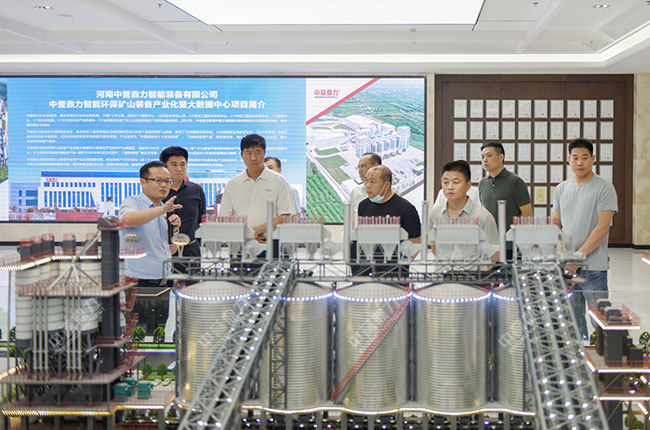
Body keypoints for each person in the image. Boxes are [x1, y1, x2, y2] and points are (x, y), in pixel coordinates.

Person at [552, 138, 618, 339]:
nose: (579, 162)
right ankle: (579, 353)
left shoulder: (604, 188)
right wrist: (564, 253)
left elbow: (602, 227)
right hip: (567, 266)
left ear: (593, 159)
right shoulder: (561, 188)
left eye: (584, 157)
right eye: (575, 158)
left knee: (599, 318)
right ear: (568, 160)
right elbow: (556, 224)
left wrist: (578, 257)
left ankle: (601, 353)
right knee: (572, 318)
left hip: (593, 267)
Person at [119, 160, 182, 335]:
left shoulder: (161, 210)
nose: (164, 185)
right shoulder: (133, 202)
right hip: (140, 286)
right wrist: (162, 211)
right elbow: (127, 219)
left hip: (163, 284)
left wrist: (175, 231)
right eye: (158, 180)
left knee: (158, 336)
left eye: (167, 181)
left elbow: (170, 251)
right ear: (143, 182)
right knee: (139, 337)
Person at [220, 134, 295, 242]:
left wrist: (253, 232)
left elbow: (286, 216)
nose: (253, 158)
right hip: (241, 243)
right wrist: (248, 236)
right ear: (242, 155)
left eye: (258, 152)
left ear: (264, 153)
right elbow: (224, 219)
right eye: (248, 153)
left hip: (270, 243)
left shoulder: (279, 181)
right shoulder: (233, 184)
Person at [352, 165, 420, 277]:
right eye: (366, 181)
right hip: (365, 272)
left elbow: (415, 242)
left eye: (372, 182)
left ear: (386, 185)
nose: (367, 186)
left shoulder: (405, 209)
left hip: (395, 274)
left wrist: (400, 265)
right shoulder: (363, 206)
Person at [429, 160, 498, 260]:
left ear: (468, 186)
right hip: (443, 269)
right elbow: (434, 246)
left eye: (456, 182)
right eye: (445, 182)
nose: (450, 187)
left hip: (473, 269)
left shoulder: (483, 217)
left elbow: (493, 254)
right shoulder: (435, 214)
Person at [479, 142, 532, 258]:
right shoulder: (482, 183)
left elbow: (527, 214)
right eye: (482, 157)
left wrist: (518, 239)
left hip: (510, 246)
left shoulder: (515, 181)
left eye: (489, 156)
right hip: (488, 245)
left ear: (501, 157)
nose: (485, 160)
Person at [160, 146, 207, 273]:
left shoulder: (196, 190)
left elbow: (201, 221)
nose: (179, 169)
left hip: (191, 251)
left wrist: (197, 244)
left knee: (192, 285)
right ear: (164, 167)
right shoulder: (158, 192)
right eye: (174, 164)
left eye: (183, 164)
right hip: (164, 251)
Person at [348, 152, 382, 222]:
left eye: (363, 166)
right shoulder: (355, 193)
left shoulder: (392, 192)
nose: (360, 171)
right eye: (358, 167)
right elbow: (350, 222)